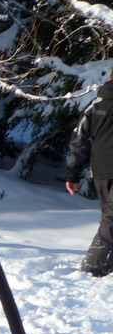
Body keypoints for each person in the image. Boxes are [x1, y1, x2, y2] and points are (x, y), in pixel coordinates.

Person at [65, 71, 113, 277]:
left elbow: (79, 139)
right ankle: (94, 265)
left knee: (109, 216)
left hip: (101, 170)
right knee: (111, 218)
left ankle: (106, 263)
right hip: (103, 168)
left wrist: (73, 173)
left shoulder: (95, 105)